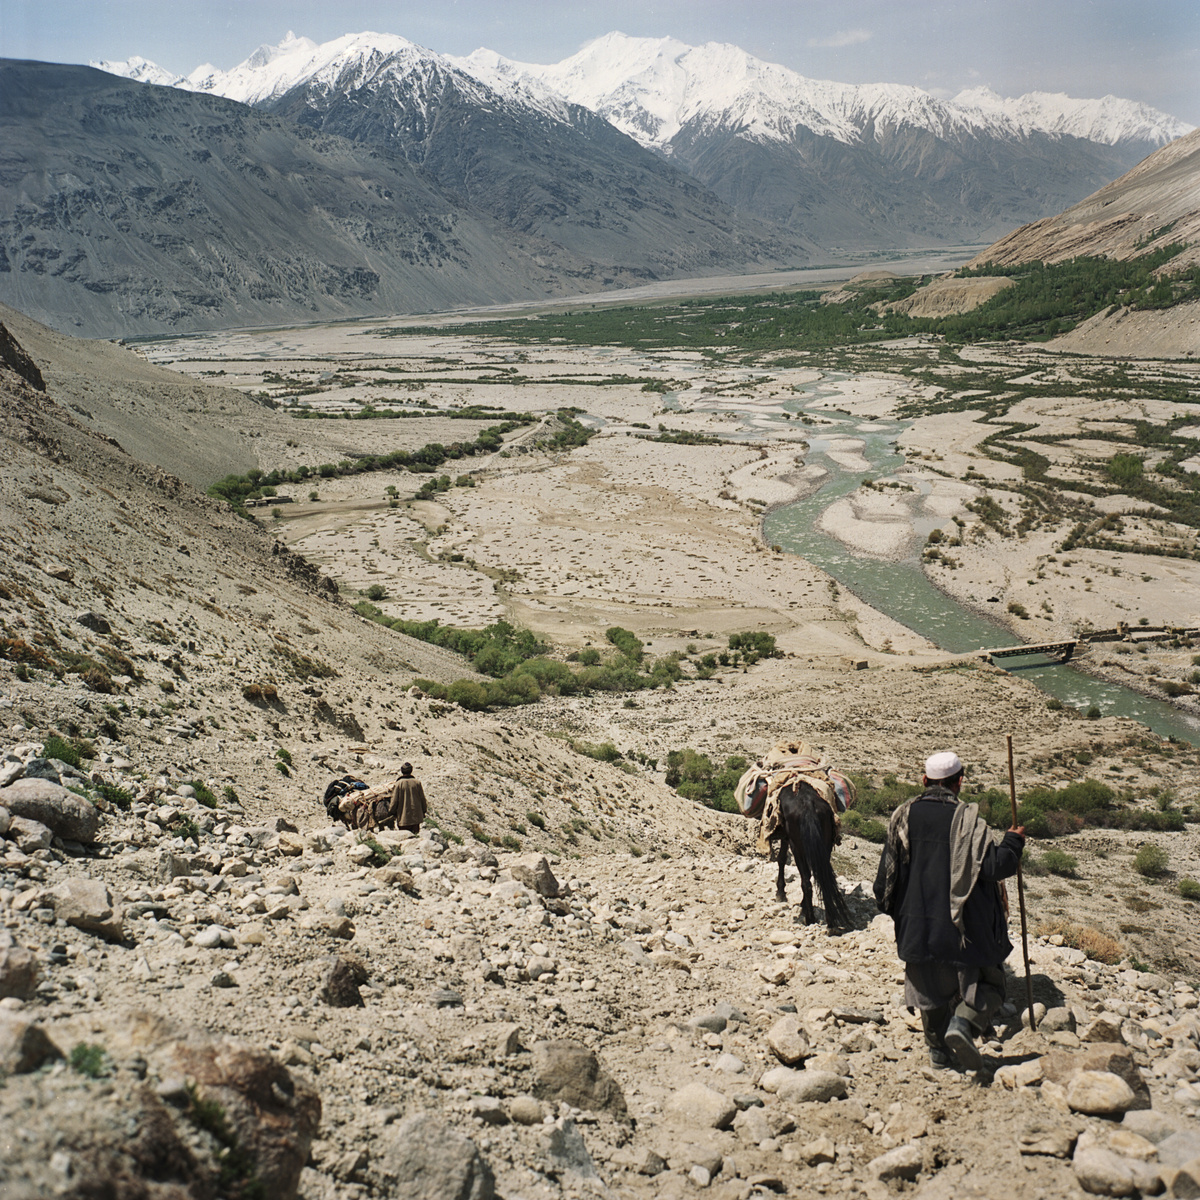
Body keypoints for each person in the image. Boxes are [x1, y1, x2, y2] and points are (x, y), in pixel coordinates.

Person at [873, 751, 1026, 1072]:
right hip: (964, 929)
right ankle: (965, 1025)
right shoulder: (970, 822)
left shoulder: (903, 815)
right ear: (959, 783)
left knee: (928, 989)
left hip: (916, 925)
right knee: (993, 985)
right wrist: (1013, 842)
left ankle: (939, 1054)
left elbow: (884, 881)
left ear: (925, 781)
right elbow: (997, 867)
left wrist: (901, 917)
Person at [390, 762, 427, 834]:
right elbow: (422, 799)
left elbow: (394, 801)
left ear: (402, 771)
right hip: (416, 818)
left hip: (403, 819)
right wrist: (424, 810)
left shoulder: (398, 784)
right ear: (411, 771)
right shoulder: (417, 783)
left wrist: (391, 811)